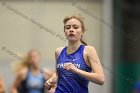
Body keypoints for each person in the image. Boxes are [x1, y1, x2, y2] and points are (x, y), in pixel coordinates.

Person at [45, 15, 105, 93]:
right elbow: (57, 74)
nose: (71, 30)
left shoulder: (89, 50)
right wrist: (51, 80)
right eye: (68, 27)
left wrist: (76, 70)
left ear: (82, 32)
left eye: (75, 27)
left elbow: (101, 79)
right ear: (64, 32)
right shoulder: (58, 51)